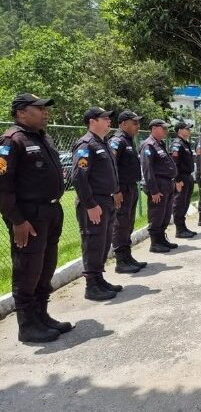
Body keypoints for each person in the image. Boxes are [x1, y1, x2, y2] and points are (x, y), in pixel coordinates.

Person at [0, 93, 73, 342]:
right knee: (28, 269)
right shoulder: (12, 141)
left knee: (46, 267)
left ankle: (42, 315)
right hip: (29, 217)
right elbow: (3, 186)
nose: (45, 112)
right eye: (39, 108)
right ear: (21, 112)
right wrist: (17, 220)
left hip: (51, 212)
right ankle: (28, 325)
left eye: (45, 108)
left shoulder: (42, 137)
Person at [72, 107, 122, 301]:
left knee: (103, 241)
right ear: (93, 121)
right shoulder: (86, 144)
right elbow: (79, 177)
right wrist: (90, 204)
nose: (109, 121)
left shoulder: (104, 143)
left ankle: (99, 279)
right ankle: (91, 285)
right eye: (105, 118)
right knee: (93, 242)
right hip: (94, 202)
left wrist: (115, 192)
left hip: (106, 200)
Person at [110, 110, 147, 274]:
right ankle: (121, 260)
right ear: (123, 124)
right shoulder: (117, 141)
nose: (137, 126)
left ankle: (127, 256)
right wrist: (115, 190)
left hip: (131, 187)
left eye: (138, 123)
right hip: (122, 189)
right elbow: (111, 166)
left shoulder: (129, 140)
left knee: (128, 223)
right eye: (134, 123)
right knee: (121, 224)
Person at [140, 119, 179, 253]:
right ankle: (155, 243)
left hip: (167, 183)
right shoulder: (148, 145)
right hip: (158, 185)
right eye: (164, 128)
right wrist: (154, 190)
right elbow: (147, 169)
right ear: (155, 128)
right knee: (157, 215)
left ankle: (162, 240)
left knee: (165, 214)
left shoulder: (159, 143)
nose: (166, 131)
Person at [171, 121, 197, 239]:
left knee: (185, 203)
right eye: (187, 129)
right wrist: (177, 179)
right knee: (179, 203)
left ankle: (183, 227)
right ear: (180, 130)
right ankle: (179, 229)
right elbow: (174, 163)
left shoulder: (185, 143)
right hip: (181, 177)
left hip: (188, 177)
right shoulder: (177, 144)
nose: (189, 131)